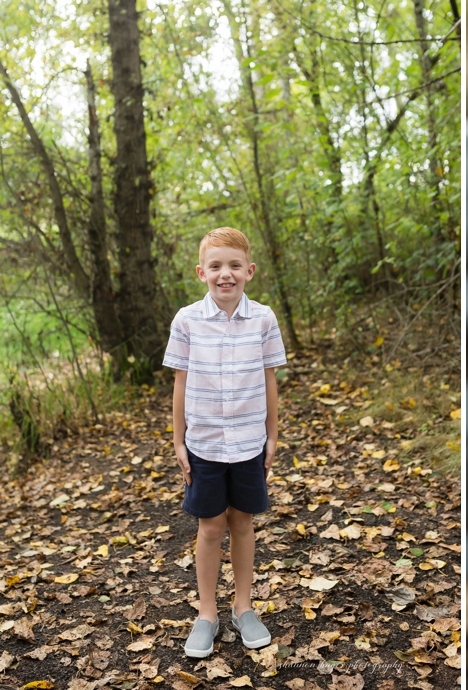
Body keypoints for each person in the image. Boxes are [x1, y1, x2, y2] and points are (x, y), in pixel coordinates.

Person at [165, 227, 286, 658]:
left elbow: (270, 378)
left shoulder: (264, 319)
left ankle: (243, 607)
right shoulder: (187, 320)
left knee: (242, 522)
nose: (225, 274)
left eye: (234, 265)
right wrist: (178, 441)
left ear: (249, 271)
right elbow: (180, 382)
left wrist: (272, 434)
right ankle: (207, 614)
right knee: (211, 526)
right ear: (202, 272)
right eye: (215, 266)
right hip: (205, 444)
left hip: (250, 442)